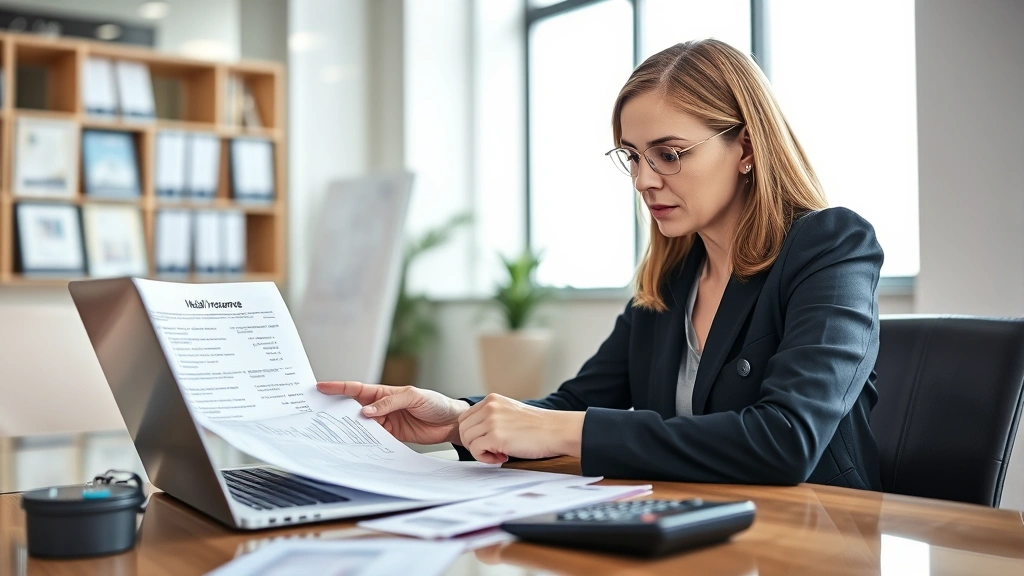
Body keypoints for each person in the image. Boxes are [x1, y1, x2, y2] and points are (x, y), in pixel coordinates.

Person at [318, 39, 883, 489]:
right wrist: (456, 416)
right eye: (633, 157)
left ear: (746, 148)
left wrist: (562, 430)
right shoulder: (670, 280)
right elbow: (574, 406)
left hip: (815, 538)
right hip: (696, 528)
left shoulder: (830, 246)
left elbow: (784, 441)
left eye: (670, 154)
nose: (643, 179)